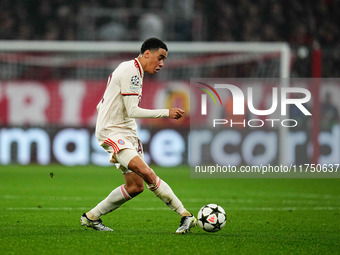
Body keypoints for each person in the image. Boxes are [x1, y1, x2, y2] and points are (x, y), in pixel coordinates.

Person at [80, 37, 197, 234]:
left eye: (164, 60)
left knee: (135, 186)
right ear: (147, 53)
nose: (161, 63)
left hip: (126, 132)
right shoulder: (132, 73)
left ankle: (91, 217)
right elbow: (133, 110)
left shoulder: (131, 69)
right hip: (113, 132)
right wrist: (166, 112)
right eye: (160, 58)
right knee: (148, 173)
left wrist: (107, 111)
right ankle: (185, 215)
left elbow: (104, 102)